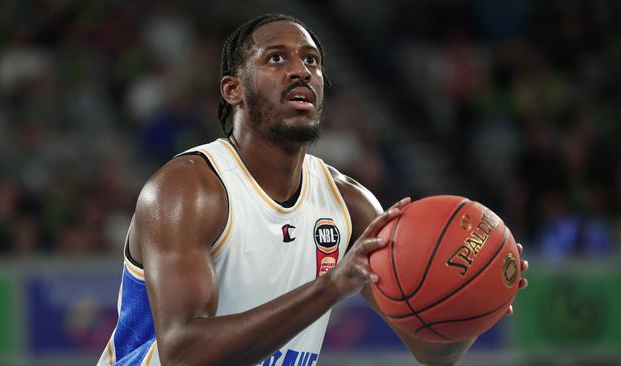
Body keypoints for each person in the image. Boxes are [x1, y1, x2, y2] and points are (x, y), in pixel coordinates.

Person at [98, 14, 528, 366]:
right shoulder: (188, 189)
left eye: (312, 61)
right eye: (276, 58)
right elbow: (182, 354)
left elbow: (429, 350)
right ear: (234, 90)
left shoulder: (350, 204)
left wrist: (475, 306)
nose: (301, 70)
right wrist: (330, 287)